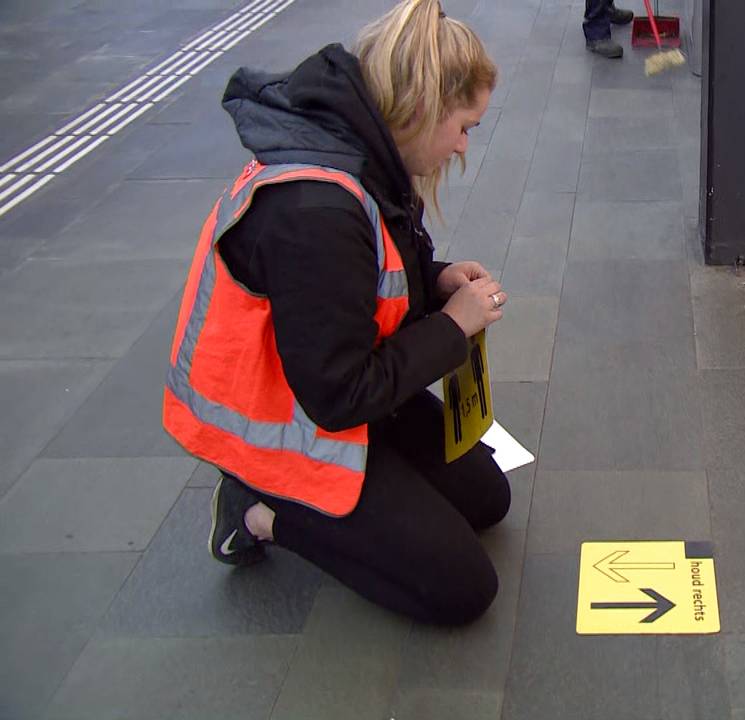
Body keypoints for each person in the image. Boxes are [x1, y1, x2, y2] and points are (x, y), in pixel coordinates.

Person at [162, 0, 511, 626]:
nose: (463, 146)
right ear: (424, 106)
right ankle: (259, 510)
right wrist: (452, 324)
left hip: (334, 376)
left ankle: (371, 501)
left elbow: (372, 279)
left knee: (488, 497)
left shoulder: (367, 151)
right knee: (463, 588)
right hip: (290, 420)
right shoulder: (316, 211)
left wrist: (436, 283)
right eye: (464, 126)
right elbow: (339, 395)